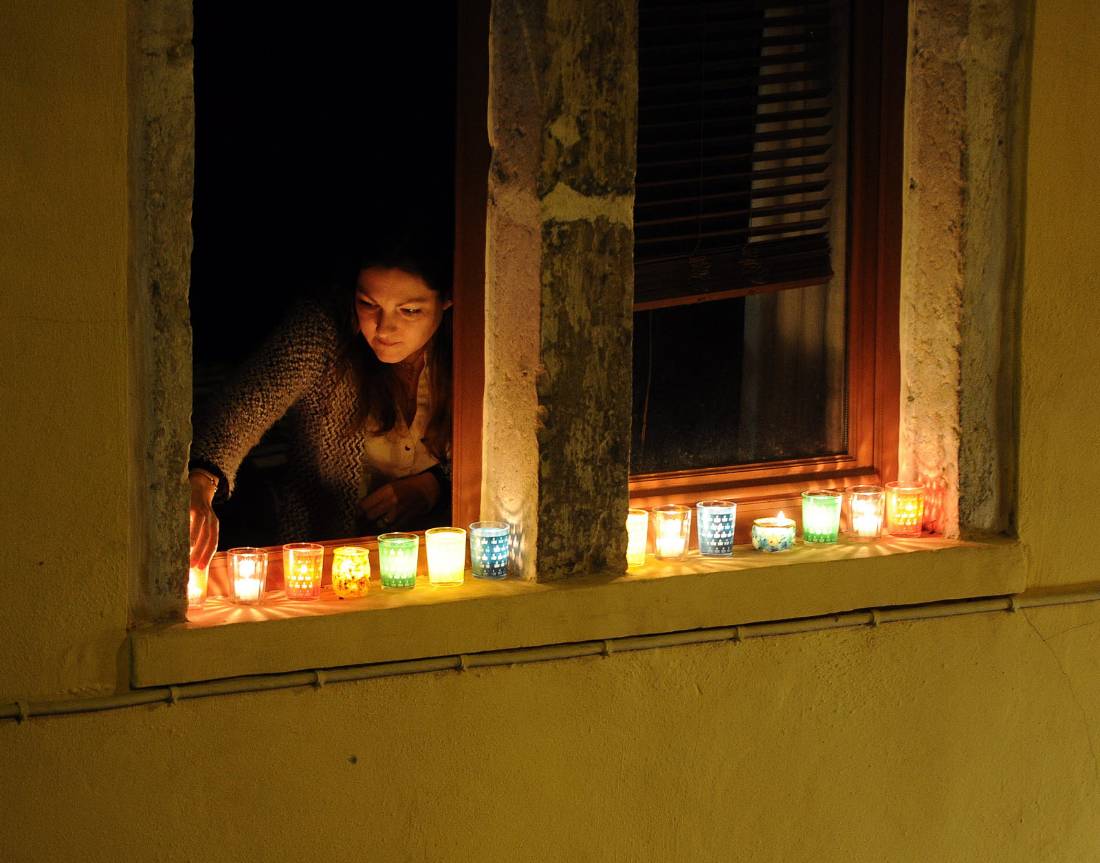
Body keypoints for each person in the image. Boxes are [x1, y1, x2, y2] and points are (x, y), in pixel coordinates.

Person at [187, 245, 453, 569]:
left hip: (441, 566)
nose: (383, 328)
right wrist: (202, 479)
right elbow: (246, 405)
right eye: (368, 304)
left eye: (409, 310)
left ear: (447, 299)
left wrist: (435, 484)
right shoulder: (325, 333)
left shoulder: (471, 346)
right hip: (322, 557)